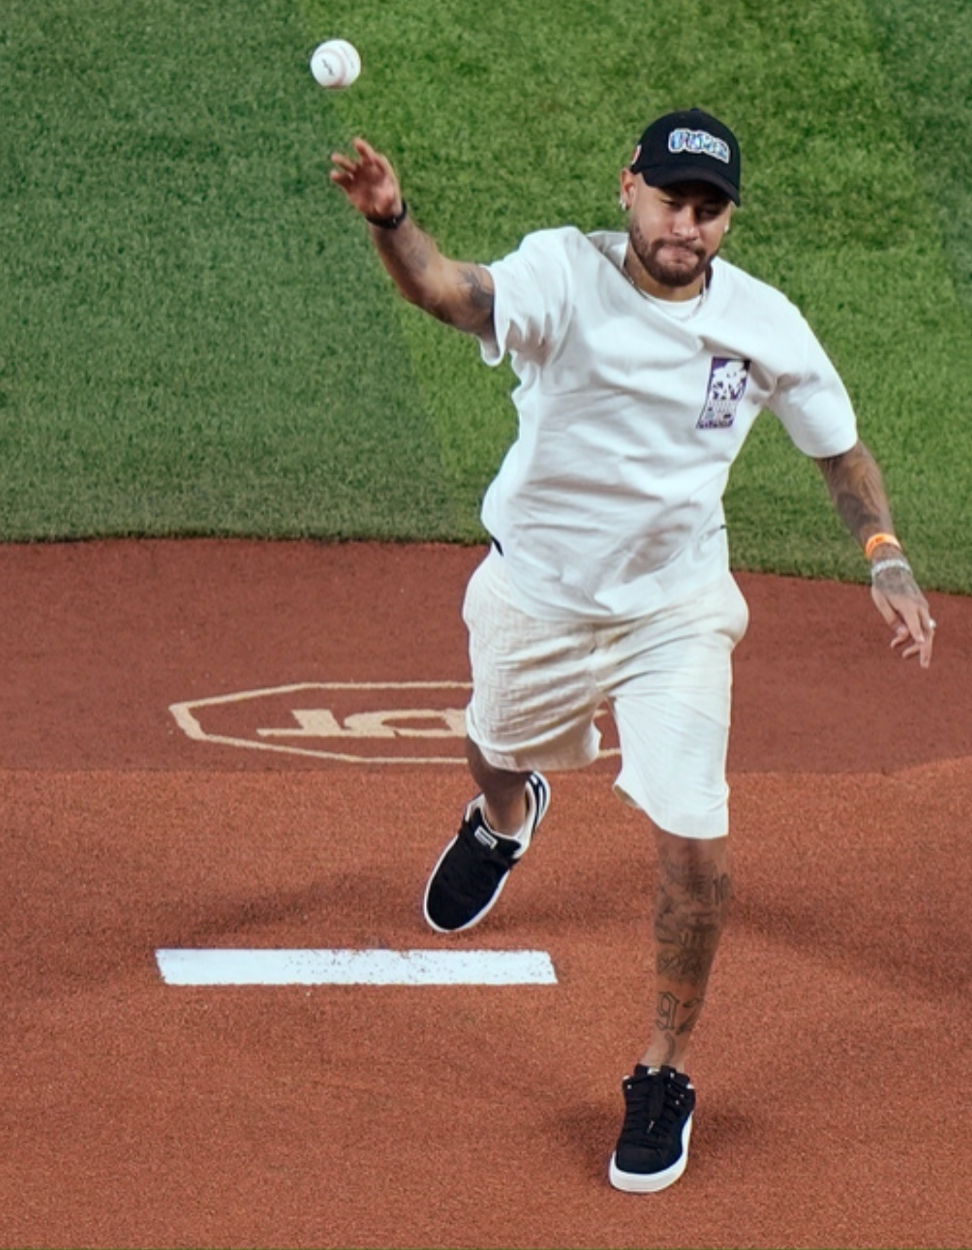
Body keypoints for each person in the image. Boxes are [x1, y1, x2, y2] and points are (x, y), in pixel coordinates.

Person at [328, 109, 935, 1194]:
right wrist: (393, 221)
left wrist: (884, 555)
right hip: (538, 593)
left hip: (677, 611)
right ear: (629, 191)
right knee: (497, 741)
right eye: (670, 201)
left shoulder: (763, 323)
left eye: (709, 211)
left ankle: (664, 1070)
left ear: (728, 219)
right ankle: (506, 818)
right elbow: (446, 290)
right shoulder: (565, 275)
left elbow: (840, 453)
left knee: (695, 836)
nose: (687, 228)